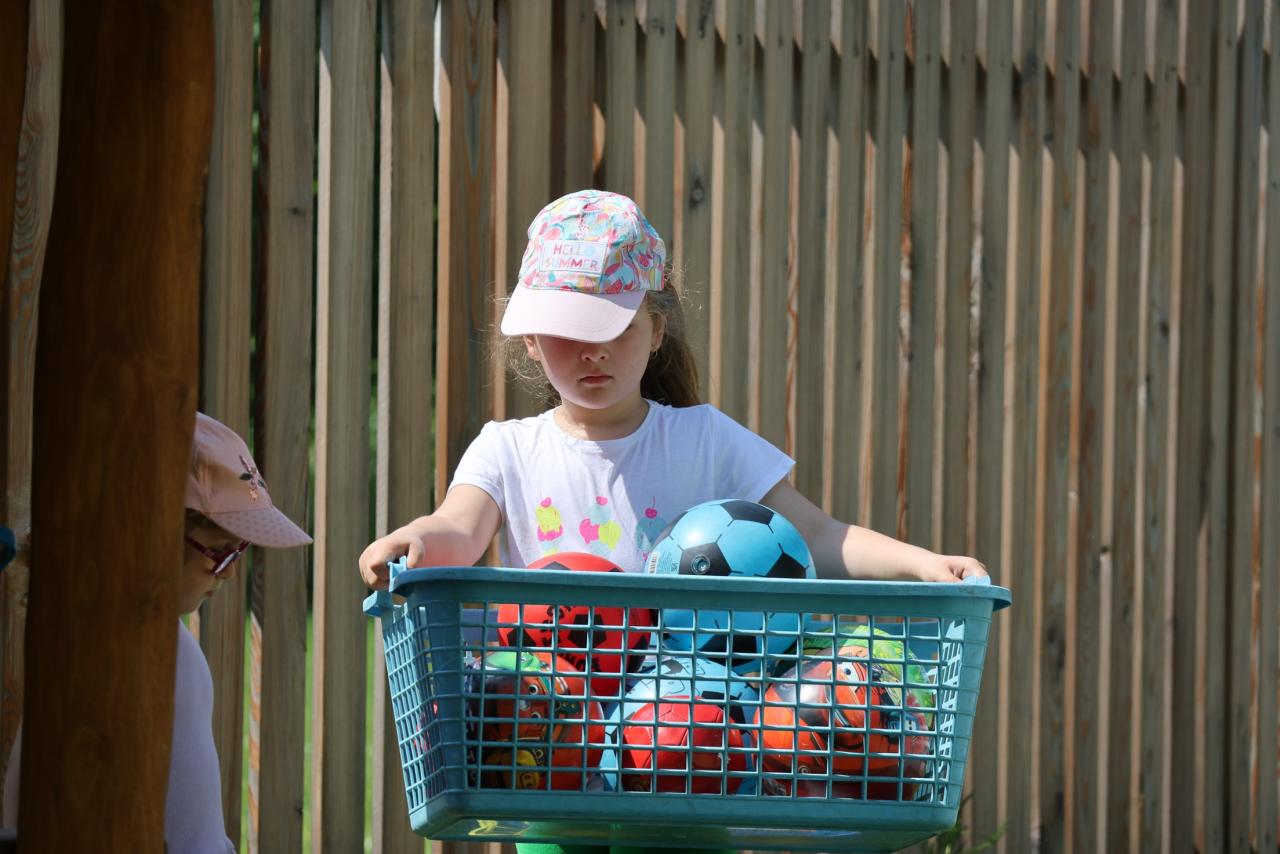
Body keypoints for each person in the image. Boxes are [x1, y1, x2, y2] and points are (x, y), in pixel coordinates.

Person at [358, 188, 987, 587]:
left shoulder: (705, 439)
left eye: (614, 328)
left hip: (684, 736)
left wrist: (923, 565)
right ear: (530, 341)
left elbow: (816, 536)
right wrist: (414, 543)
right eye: (567, 332)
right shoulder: (506, 451)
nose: (592, 351)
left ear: (656, 329)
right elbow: (458, 529)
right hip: (550, 732)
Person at [2, 412, 311, 853]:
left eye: (239, 551)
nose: (229, 573)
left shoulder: (78, 634)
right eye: (220, 551)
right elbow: (195, 840)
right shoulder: (160, 654)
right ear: (149, 535)